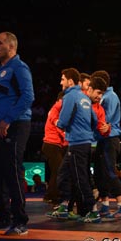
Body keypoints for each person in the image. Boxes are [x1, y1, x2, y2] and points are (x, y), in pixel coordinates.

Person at [0, 31, 34, 236]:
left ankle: (20, 221)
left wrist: (8, 119)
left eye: (0, 43)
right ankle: (3, 216)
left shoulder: (19, 68)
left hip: (14, 125)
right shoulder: (0, 70)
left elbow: (28, 97)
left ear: (11, 47)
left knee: (13, 171)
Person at [47, 68, 101, 223]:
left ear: (70, 81)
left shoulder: (70, 96)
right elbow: (95, 121)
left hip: (77, 143)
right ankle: (64, 206)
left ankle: (93, 211)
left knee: (80, 178)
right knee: (64, 174)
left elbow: (62, 122)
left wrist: (54, 120)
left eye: (63, 79)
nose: (61, 82)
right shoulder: (84, 97)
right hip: (83, 142)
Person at [90, 70, 121, 220]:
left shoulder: (110, 97)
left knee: (110, 172)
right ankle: (105, 205)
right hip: (102, 139)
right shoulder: (104, 97)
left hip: (110, 138)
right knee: (100, 172)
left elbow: (106, 120)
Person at [41, 91, 67, 205]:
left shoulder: (56, 109)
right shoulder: (57, 109)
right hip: (51, 144)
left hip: (53, 145)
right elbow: (59, 128)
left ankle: (50, 195)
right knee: (59, 170)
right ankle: (53, 196)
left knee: (56, 171)